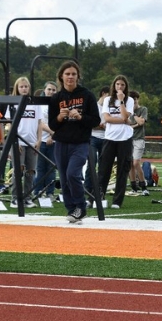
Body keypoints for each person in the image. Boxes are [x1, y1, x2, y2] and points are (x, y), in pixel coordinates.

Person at [48, 60, 101, 223]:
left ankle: (81, 207)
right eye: (67, 74)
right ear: (61, 76)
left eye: (73, 74)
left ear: (78, 77)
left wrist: (80, 117)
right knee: (63, 179)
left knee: (72, 174)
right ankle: (72, 210)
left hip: (80, 142)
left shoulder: (87, 95)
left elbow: (96, 120)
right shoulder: (56, 98)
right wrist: (59, 116)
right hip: (61, 142)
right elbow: (52, 124)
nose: (70, 77)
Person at [98, 75, 134, 209]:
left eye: (122, 85)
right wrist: (124, 121)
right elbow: (107, 118)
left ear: (126, 87)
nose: (120, 87)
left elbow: (125, 115)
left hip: (125, 138)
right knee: (104, 169)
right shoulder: (107, 100)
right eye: (118, 84)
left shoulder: (129, 100)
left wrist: (121, 102)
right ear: (114, 86)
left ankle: (117, 201)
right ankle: (99, 197)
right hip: (110, 137)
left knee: (122, 171)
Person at [6, 77, 42, 208]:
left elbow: (39, 124)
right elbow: (9, 125)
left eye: (26, 86)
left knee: (30, 171)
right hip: (18, 142)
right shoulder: (13, 103)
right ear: (17, 88)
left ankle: (28, 197)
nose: (24, 89)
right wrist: (15, 141)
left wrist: (39, 140)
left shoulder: (35, 103)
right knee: (18, 170)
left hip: (32, 142)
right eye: (21, 86)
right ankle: (15, 198)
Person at [33, 81, 59, 200]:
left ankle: (50, 192)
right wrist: (51, 133)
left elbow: (59, 122)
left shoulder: (58, 105)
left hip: (54, 142)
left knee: (51, 168)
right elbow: (41, 123)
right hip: (41, 140)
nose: (51, 92)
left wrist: (52, 136)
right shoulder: (39, 105)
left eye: (54, 90)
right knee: (40, 168)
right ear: (44, 90)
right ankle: (37, 191)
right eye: (49, 89)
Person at [85, 86, 109, 202]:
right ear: (103, 94)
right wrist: (100, 126)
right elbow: (89, 123)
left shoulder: (109, 107)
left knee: (103, 166)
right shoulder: (94, 106)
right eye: (108, 96)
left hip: (106, 138)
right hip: (93, 137)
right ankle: (88, 188)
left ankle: (99, 189)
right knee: (91, 163)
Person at [127, 90, 149, 195]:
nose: (134, 103)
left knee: (136, 162)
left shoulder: (143, 109)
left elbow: (141, 122)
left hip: (139, 139)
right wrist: (135, 124)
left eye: (135, 100)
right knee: (129, 164)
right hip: (128, 139)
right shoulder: (126, 111)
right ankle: (133, 186)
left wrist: (134, 115)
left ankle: (143, 185)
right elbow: (127, 124)